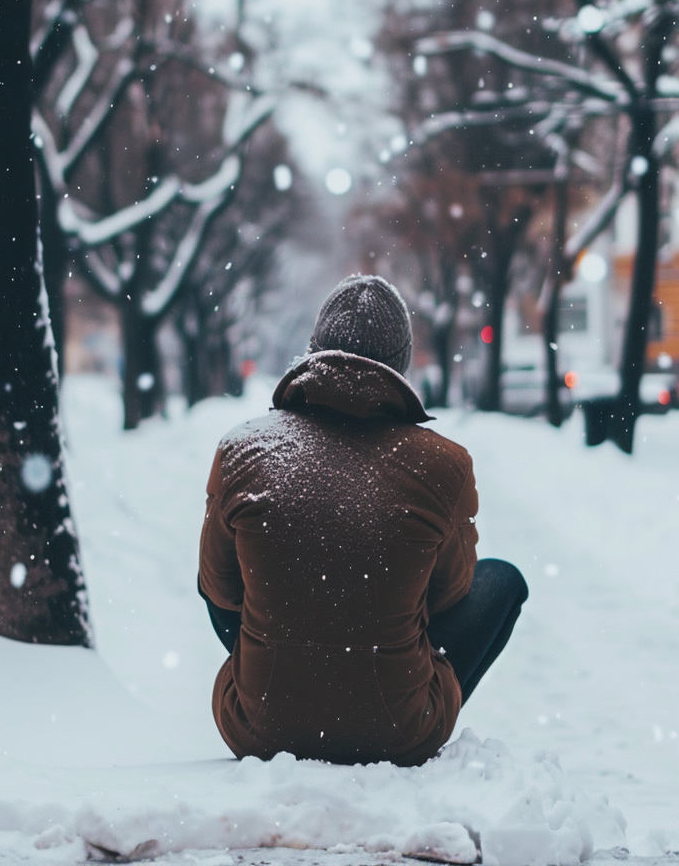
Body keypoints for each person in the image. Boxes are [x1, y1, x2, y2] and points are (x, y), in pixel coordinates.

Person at [198, 275, 527, 766]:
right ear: (401, 365)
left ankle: (287, 680)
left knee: (226, 571)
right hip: (397, 731)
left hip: (257, 725)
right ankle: (386, 702)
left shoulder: (242, 449)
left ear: (312, 352)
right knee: (502, 581)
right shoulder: (444, 464)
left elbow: (220, 591)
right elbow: (450, 595)